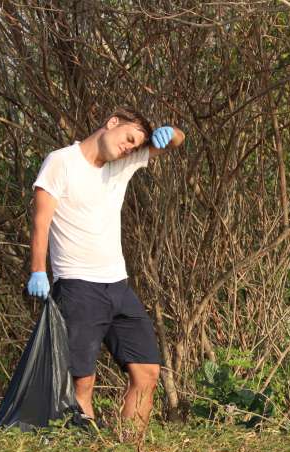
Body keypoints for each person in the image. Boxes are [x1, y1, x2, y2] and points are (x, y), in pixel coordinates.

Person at [26, 106, 185, 431]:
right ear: (112, 123)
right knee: (81, 385)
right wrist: (38, 270)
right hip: (78, 288)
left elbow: (178, 141)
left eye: (135, 145)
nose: (129, 147)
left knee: (148, 372)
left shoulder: (124, 163)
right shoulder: (61, 162)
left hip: (118, 287)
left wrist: (169, 132)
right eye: (128, 138)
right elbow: (41, 222)